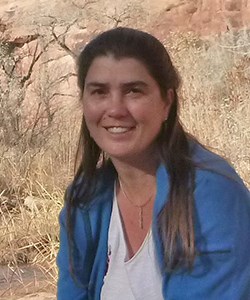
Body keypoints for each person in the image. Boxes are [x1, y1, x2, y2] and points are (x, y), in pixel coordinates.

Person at [57, 27, 250, 300]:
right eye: (99, 92)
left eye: (134, 91)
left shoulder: (212, 193)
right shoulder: (85, 199)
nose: (115, 109)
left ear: (166, 103)